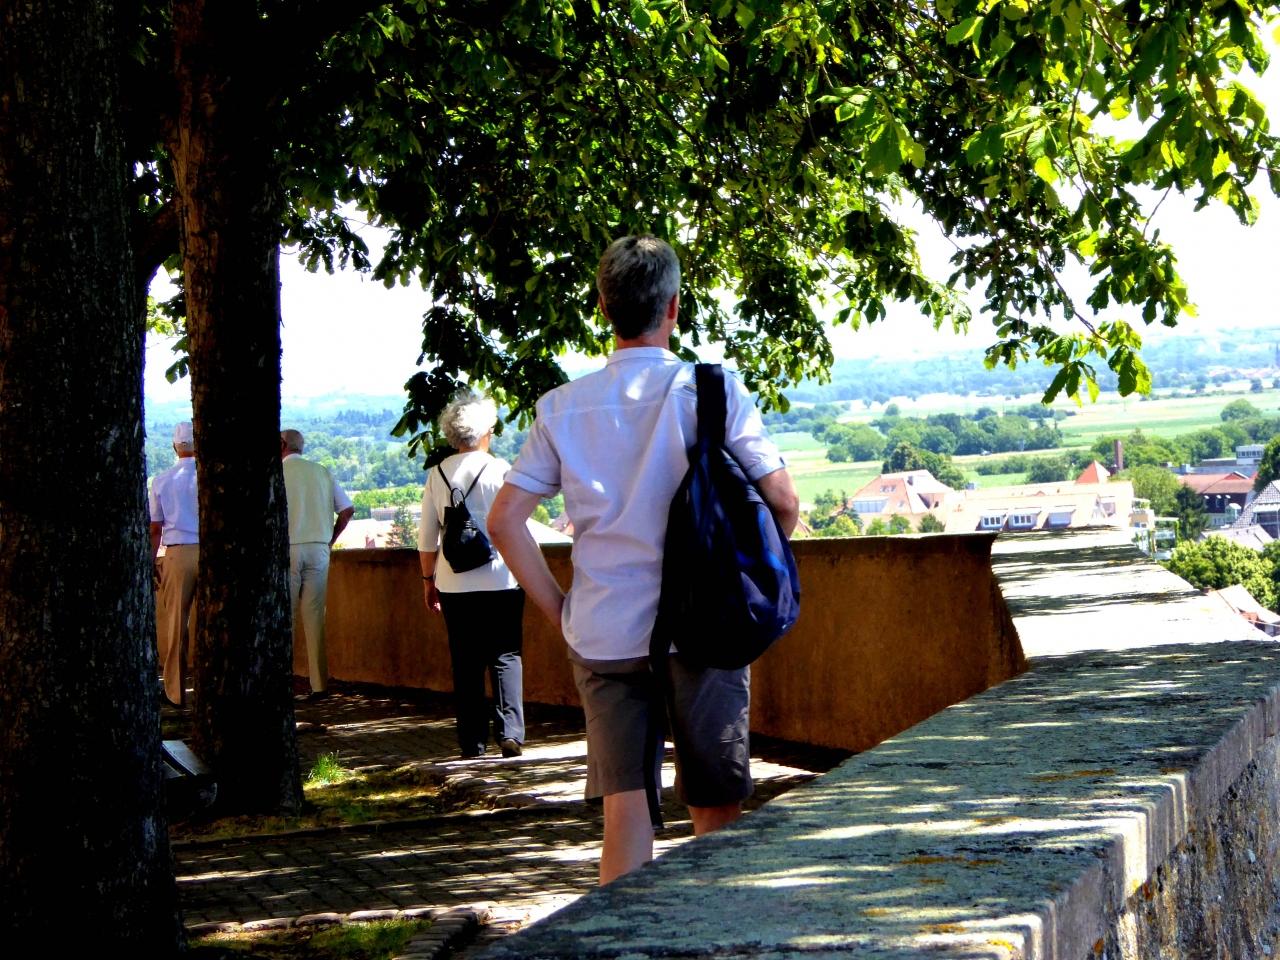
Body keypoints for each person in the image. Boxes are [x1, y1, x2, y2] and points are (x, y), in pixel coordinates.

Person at [487, 234, 799, 885]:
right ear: (674, 306)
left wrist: (560, 610)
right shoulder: (712, 391)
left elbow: (504, 520)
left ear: (604, 307)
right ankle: (717, 934)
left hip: (602, 631)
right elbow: (782, 502)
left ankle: (623, 935)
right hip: (706, 628)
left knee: (625, 817)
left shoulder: (561, 407)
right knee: (716, 811)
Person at [418, 391, 527, 760]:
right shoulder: (500, 470)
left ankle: (472, 741)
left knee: (465, 660)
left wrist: (428, 581)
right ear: (482, 433)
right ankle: (510, 733)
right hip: (501, 578)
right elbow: (517, 524)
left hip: (454, 583)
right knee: (506, 653)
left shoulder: (437, 475)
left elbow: (427, 538)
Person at [280, 428, 355, 699]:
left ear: (282, 444)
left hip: (288, 549)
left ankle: (282, 683)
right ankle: (319, 684)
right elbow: (347, 510)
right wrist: (330, 540)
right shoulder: (322, 471)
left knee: (285, 619)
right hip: (319, 548)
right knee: (315, 618)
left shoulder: (277, 473)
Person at [149, 421, 200, 708]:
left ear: (174, 447)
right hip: (210, 551)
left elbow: (155, 528)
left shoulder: (161, 481)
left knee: (177, 625)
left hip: (178, 553)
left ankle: (176, 692)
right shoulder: (209, 477)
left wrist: (150, 561)